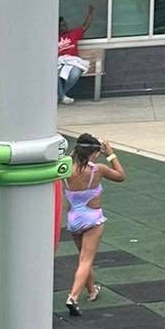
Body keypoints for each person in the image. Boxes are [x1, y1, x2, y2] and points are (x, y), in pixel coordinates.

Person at [64, 132, 125, 316]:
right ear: (95, 153)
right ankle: (73, 297)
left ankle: (91, 291)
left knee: (83, 257)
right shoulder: (98, 170)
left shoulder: (66, 168)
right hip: (92, 218)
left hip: (74, 218)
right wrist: (111, 154)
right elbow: (121, 176)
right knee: (86, 259)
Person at [57, 4, 95, 103]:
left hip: (73, 61)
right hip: (60, 62)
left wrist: (90, 14)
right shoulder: (54, 38)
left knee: (75, 74)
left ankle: (61, 95)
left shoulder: (73, 34)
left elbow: (85, 26)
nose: (65, 26)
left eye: (66, 24)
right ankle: (62, 97)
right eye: (63, 25)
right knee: (54, 74)